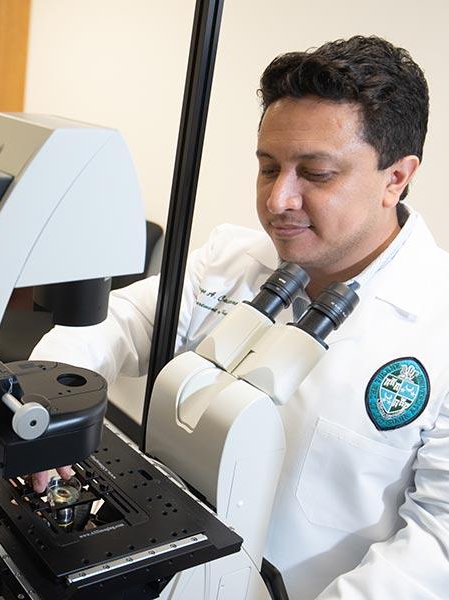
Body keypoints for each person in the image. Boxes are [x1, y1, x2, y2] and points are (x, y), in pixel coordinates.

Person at [30, 36, 449, 600]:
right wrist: (44, 407)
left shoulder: (437, 319)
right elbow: (122, 323)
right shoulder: (233, 258)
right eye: (268, 168)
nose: (279, 200)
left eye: (316, 174)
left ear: (396, 177)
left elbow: (434, 545)